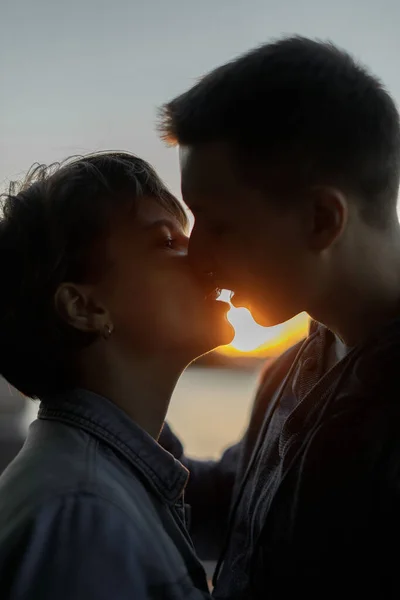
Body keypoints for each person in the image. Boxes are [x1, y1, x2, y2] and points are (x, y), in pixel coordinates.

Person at [158, 36, 400, 598]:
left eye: (219, 224)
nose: (195, 258)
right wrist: (113, 394)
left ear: (321, 219)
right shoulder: (289, 369)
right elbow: (231, 506)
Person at [0, 152, 234, 600]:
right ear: (85, 308)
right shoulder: (83, 519)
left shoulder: (101, 483)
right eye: (166, 242)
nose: (205, 257)